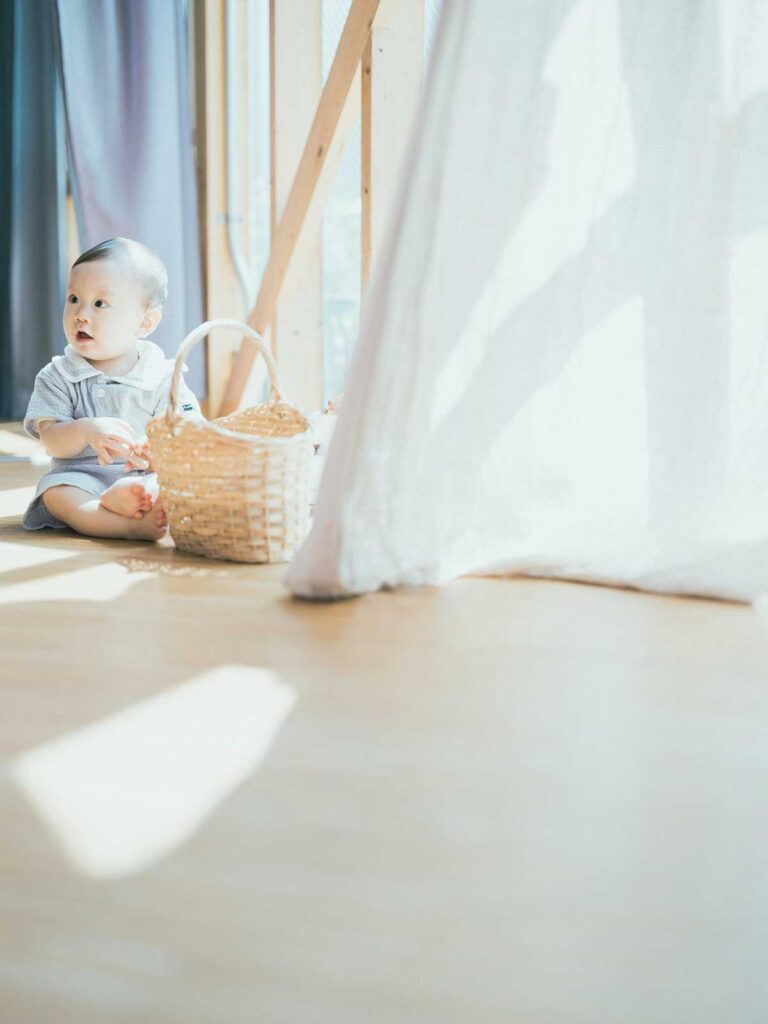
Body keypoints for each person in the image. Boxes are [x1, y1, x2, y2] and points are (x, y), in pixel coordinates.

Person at [22, 237, 201, 541]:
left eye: (100, 304)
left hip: (145, 478)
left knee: (179, 484)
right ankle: (128, 526)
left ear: (145, 322)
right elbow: (51, 440)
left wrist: (157, 447)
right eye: (74, 299)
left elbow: (189, 431)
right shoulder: (58, 375)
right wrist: (87, 430)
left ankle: (129, 499)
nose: (81, 314)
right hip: (82, 480)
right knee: (56, 494)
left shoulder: (162, 375)